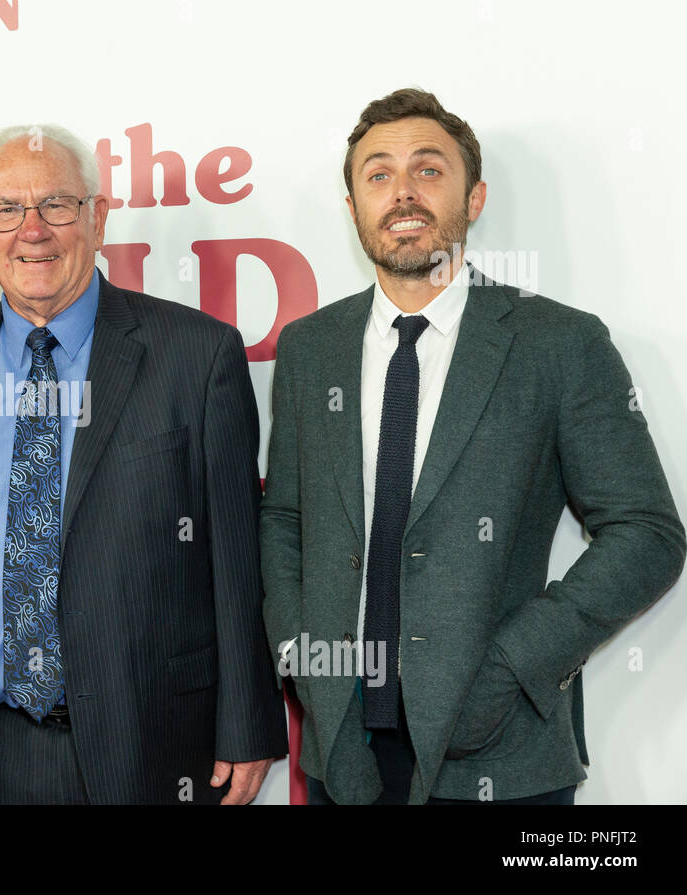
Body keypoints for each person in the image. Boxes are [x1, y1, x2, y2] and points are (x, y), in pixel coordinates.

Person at [260, 88, 685, 804]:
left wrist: (513, 665)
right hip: (345, 754)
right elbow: (285, 521)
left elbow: (647, 535)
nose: (402, 191)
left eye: (428, 170)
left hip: (501, 752)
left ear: (475, 196)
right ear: (354, 207)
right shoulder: (310, 349)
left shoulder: (559, 343)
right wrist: (305, 657)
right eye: (377, 174)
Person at [0, 124, 287, 804]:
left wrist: (247, 720)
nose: (31, 230)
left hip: (152, 742)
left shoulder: (197, 355)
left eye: (57, 205)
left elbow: (238, 556)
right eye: (5, 210)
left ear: (97, 221)